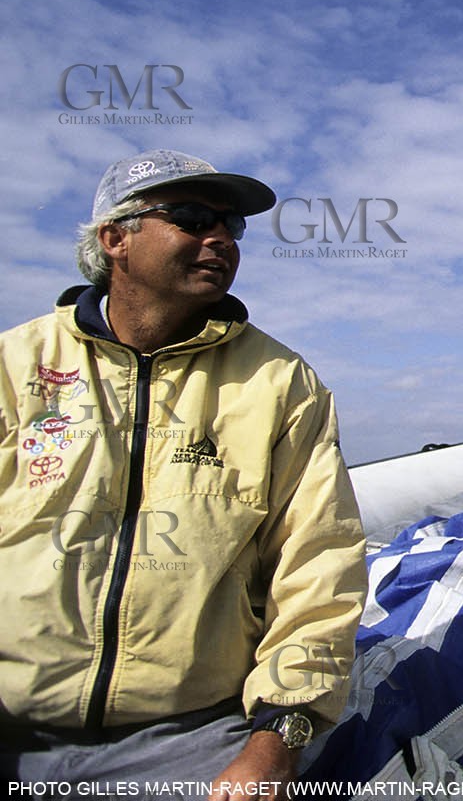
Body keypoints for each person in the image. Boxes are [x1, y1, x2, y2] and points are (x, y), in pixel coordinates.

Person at [0, 149, 368, 794]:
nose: (220, 238)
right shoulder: (15, 367)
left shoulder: (281, 384)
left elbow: (319, 563)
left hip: (190, 735)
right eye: (193, 218)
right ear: (115, 239)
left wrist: (280, 736)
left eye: (232, 225)